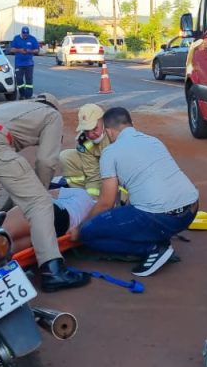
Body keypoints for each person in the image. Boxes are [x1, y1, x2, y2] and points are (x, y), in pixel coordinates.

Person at [0, 93, 88, 292]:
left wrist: (11, 205)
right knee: (39, 203)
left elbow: (11, 180)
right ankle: (53, 272)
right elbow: (46, 161)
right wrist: (40, 192)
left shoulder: (16, 108)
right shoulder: (51, 114)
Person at [72, 107, 199, 277]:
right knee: (134, 214)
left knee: (88, 234)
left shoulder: (110, 152)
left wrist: (80, 227)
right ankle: (158, 238)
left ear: (108, 131)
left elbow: (106, 202)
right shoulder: (153, 141)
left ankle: (153, 248)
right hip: (190, 209)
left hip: (160, 216)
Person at [3, 187, 95, 252]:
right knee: (5, 248)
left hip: (56, 210)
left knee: (1, 231)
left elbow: (46, 195)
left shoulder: (82, 193)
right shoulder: (99, 215)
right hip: (60, 230)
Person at [59, 103, 112, 196]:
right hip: (98, 172)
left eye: (94, 128)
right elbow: (92, 174)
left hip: (118, 175)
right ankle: (80, 193)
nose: (91, 135)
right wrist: (91, 198)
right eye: (86, 131)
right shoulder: (84, 141)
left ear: (103, 121)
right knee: (66, 157)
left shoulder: (114, 133)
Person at [9, 26, 39, 99]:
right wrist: (20, 50)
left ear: (28, 33)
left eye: (27, 33)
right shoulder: (16, 38)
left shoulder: (32, 39)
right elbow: (11, 49)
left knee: (29, 80)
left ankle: (28, 95)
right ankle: (22, 93)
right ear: (21, 33)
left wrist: (29, 51)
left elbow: (37, 50)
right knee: (19, 80)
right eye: (24, 33)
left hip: (29, 64)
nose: (25, 35)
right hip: (19, 64)